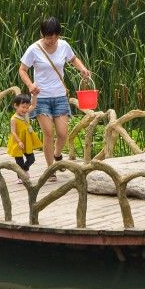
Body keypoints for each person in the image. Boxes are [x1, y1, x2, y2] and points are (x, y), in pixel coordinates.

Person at [18, 17, 91, 181]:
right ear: (42, 34)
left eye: (54, 37)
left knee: (63, 134)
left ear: (59, 35)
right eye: (48, 37)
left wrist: (83, 69)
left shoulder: (64, 46)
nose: (51, 40)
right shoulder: (34, 49)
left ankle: (57, 155)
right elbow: (22, 70)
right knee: (49, 133)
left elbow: (73, 59)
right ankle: (51, 169)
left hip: (59, 96)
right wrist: (30, 85)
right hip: (41, 97)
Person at [6, 92, 42, 182]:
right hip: (17, 141)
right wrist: (19, 141)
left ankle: (24, 170)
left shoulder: (26, 114)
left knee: (31, 158)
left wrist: (34, 95)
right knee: (19, 160)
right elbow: (13, 132)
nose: (25, 110)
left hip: (27, 140)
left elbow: (33, 105)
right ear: (16, 106)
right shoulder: (14, 119)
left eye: (26, 107)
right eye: (23, 107)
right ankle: (20, 177)